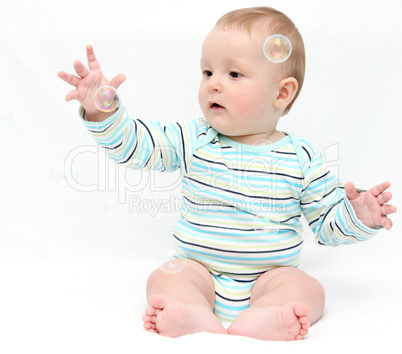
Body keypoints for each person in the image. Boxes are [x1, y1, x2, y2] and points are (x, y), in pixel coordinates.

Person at [58, 6, 396, 341]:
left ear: (282, 92)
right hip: (198, 271)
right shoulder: (194, 138)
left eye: (233, 74)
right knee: (163, 278)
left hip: (270, 277)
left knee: (308, 288)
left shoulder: (301, 157)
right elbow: (137, 146)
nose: (214, 84)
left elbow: (326, 225)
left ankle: (268, 316)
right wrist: (103, 110)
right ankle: (190, 311)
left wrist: (358, 216)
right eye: (207, 72)